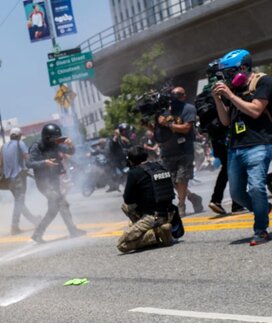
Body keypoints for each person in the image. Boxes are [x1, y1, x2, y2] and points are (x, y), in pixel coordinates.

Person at [212, 48, 272, 245]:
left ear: (244, 68)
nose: (226, 77)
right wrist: (218, 100)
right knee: (237, 193)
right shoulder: (233, 89)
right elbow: (226, 121)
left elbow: (255, 110)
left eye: (229, 72)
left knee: (256, 188)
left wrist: (229, 95)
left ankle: (261, 230)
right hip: (235, 147)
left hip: (258, 143)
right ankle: (263, 209)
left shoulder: (263, 81)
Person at [28, 123, 86, 243]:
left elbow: (70, 151)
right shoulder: (36, 147)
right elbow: (29, 163)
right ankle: (72, 230)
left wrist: (71, 145)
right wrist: (45, 162)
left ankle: (37, 234)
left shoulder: (55, 145)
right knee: (62, 204)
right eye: (54, 138)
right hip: (43, 183)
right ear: (46, 137)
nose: (56, 140)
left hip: (54, 182)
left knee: (53, 210)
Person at [151, 87, 205, 215]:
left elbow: (186, 128)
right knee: (171, 181)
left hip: (184, 150)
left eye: (179, 94)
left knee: (182, 179)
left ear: (184, 96)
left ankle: (181, 205)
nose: (175, 96)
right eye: (173, 94)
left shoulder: (188, 109)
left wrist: (168, 124)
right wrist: (149, 125)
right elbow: (159, 131)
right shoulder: (162, 112)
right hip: (167, 151)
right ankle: (193, 197)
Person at [117, 145, 178, 253]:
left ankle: (156, 233)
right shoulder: (160, 166)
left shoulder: (134, 172)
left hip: (153, 217)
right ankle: (161, 230)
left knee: (122, 245)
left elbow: (128, 199)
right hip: (170, 213)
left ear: (131, 160)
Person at [2, 127, 39, 234]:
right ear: (18, 136)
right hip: (19, 178)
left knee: (20, 203)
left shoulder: (4, 147)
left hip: (9, 181)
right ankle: (14, 227)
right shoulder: (20, 143)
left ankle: (34, 220)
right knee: (19, 203)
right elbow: (28, 159)